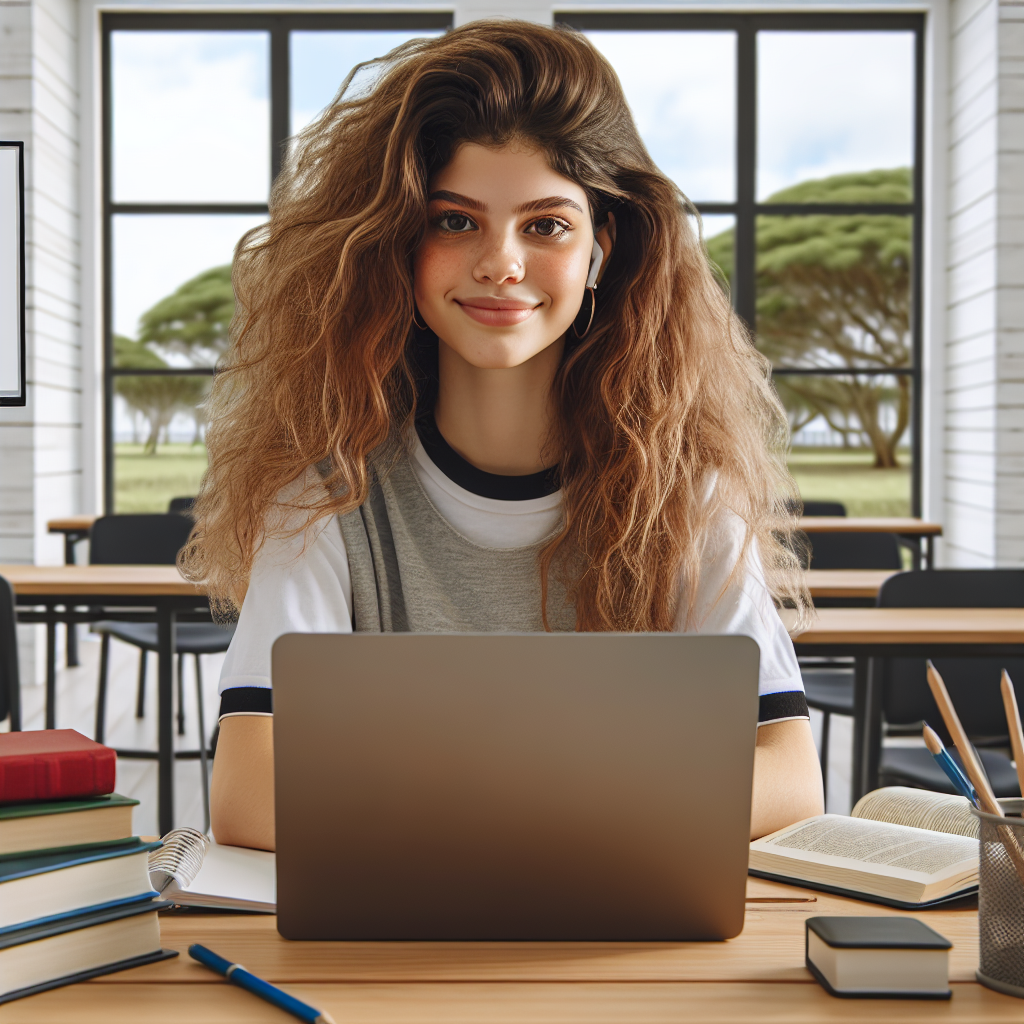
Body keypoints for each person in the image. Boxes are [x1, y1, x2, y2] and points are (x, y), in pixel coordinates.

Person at [182, 21, 823, 852]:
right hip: (392, 963)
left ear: (603, 246)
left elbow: (788, 775)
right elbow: (247, 795)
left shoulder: (686, 500)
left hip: (627, 956)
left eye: (546, 225)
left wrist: (453, 810)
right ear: (400, 245)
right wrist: (590, 806)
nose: (500, 264)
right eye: (455, 222)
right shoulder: (325, 502)